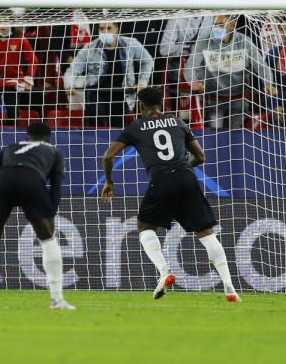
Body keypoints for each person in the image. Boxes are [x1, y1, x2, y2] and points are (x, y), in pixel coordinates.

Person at [101, 87, 240, 302]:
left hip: (161, 179)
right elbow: (200, 157)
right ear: (162, 103)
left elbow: (108, 156)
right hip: (186, 177)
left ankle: (164, 271)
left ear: (141, 105)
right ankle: (230, 289)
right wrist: (185, 168)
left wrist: (109, 181)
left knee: (145, 227)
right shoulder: (178, 122)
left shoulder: (135, 127)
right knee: (206, 233)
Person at [0, 122, 71, 310]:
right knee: (48, 239)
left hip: (3, 180)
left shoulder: (9, 147)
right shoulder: (54, 151)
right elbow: (57, 186)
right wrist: (50, 213)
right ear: (48, 137)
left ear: (27, 136)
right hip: (31, 179)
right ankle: (57, 300)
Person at [184, 15, 274, 129]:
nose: (216, 28)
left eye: (220, 25)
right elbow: (190, 66)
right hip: (213, 100)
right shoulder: (204, 41)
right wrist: (193, 81)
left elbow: (260, 66)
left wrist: (268, 82)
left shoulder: (244, 41)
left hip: (238, 99)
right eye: (215, 25)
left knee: (233, 136)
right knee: (215, 136)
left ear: (232, 26)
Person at [64, 21, 153, 128]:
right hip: (96, 94)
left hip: (121, 94)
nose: (104, 32)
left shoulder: (131, 44)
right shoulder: (90, 48)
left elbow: (148, 61)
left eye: (108, 28)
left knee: (118, 128)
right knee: (95, 128)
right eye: (101, 29)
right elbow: (73, 70)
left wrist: (142, 83)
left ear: (117, 29)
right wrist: (69, 84)